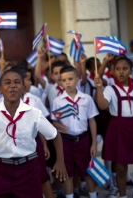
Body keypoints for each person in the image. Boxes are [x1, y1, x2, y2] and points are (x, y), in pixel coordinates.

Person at [0, 69, 67, 197]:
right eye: (7, 82)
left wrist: (60, 160)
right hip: (3, 170)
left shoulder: (34, 113)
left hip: (28, 169)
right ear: (0, 89)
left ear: (24, 88)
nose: (12, 85)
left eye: (17, 82)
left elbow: (55, 135)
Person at [95, 57, 133, 198]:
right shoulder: (110, 89)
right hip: (118, 128)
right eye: (118, 69)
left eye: (125, 69)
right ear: (113, 71)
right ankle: (123, 195)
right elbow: (102, 106)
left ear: (131, 71)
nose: (121, 72)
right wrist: (99, 88)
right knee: (120, 166)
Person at [51, 66, 98, 198]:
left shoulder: (86, 99)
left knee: (87, 172)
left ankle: (93, 195)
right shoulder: (58, 101)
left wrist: (94, 143)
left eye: (70, 79)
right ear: (60, 82)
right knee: (67, 174)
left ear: (77, 79)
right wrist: (60, 127)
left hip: (82, 140)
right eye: (64, 80)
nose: (67, 82)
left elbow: (92, 121)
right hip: (66, 142)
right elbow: (54, 121)